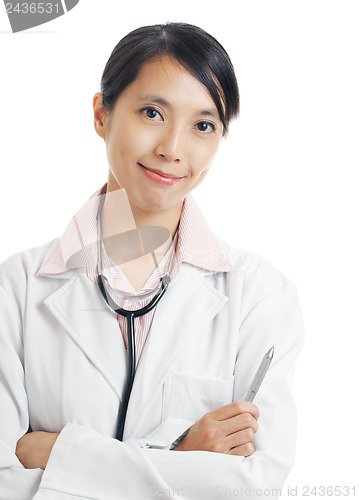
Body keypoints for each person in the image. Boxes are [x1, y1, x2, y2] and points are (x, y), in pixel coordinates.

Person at [0, 23, 304, 499]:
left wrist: (53, 452)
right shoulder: (14, 289)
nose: (172, 149)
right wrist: (180, 460)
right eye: (152, 112)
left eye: (203, 126)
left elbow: (252, 485)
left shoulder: (259, 296)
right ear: (102, 114)